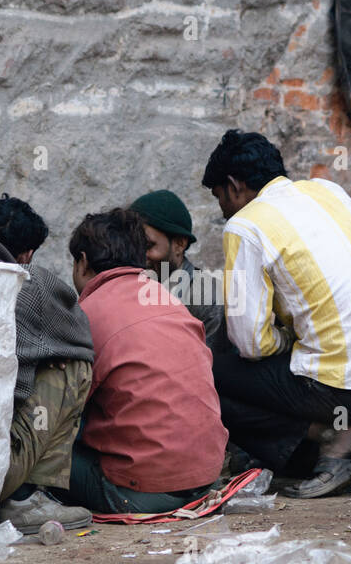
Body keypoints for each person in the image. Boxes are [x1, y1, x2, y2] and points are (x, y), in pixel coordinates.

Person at [202, 129, 351, 498]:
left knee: (206, 372)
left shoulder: (246, 224)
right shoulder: (328, 192)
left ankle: (332, 436)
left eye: (219, 197)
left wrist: (286, 337)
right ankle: (316, 457)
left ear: (233, 185)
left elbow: (251, 344)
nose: (222, 209)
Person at [63, 208, 228, 514]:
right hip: (206, 480)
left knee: (37, 446)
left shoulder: (86, 314)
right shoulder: (170, 302)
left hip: (143, 493)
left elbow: (67, 408)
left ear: (82, 262)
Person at [0, 195, 95, 534]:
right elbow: (82, 339)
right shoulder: (30, 281)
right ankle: (27, 497)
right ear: (27, 254)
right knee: (72, 363)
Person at [129, 190, 225, 349]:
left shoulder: (205, 299)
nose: (137, 255)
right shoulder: (130, 284)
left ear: (179, 244)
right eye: (132, 245)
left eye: (147, 246)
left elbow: (206, 367)